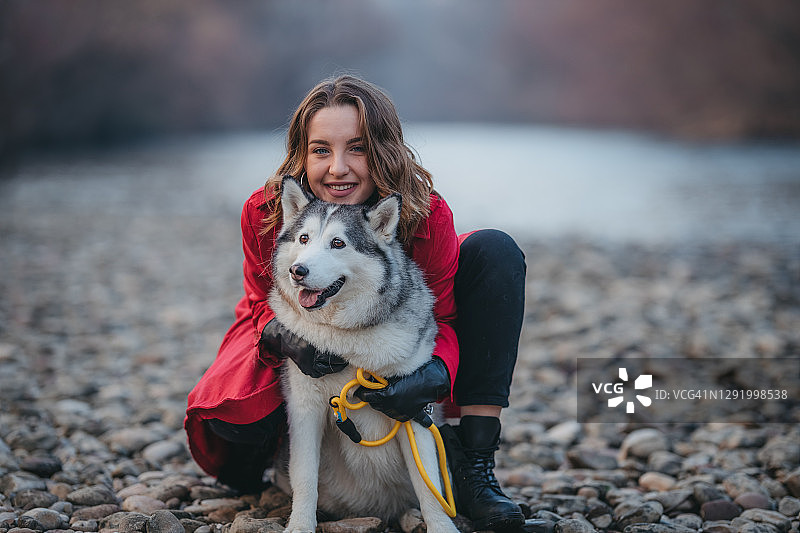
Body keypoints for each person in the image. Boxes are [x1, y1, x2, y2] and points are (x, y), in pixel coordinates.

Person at [184, 75, 527, 531]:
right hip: (292, 340)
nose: (338, 168)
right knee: (237, 417)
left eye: (358, 148)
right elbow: (256, 300)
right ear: (302, 154)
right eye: (321, 150)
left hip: (394, 334)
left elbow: (442, 316)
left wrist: (433, 373)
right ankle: (274, 458)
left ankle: (474, 465)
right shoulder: (265, 211)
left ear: (383, 152)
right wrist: (281, 335)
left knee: (493, 252)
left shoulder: (424, 213)